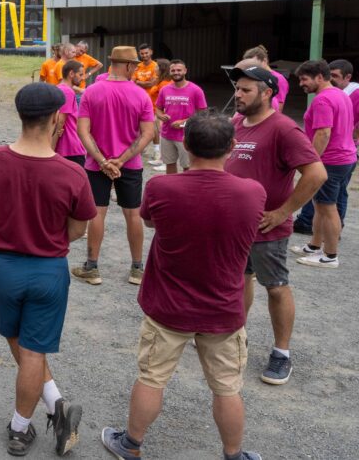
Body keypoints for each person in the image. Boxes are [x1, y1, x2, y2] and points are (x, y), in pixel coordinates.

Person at [101, 110, 266, 460]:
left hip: (167, 306)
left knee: (151, 378)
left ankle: (131, 444)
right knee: (227, 388)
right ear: (233, 147)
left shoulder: (162, 187)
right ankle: (234, 455)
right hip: (223, 309)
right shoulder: (252, 192)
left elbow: (147, 221)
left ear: (186, 145)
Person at [0, 83, 94, 457]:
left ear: (19, 115)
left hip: (3, 267)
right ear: (57, 118)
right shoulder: (72, 173)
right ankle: (21, 428)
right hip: (48, 270)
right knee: (33, 349)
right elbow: (77, 229)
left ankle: (54, 405)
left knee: (16, 338)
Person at [225, 64, 325, 386]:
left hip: (267, 228)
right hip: (236, 227)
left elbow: (316, 174)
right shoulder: (237, 122)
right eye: (237, 89)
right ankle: (237, 338)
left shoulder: (284, 129)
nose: (238, 95)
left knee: (276, 287)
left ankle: (282, 353)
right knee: (241, 280)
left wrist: (284, 212)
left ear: (267, 93)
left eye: (245, 90)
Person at [73, 46, 155, 286]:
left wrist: (102, 160)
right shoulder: (140, 95)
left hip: (96, 164)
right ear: (129, 66)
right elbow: (147, 133)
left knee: (97, 212)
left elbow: (83, 131)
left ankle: (92, 267)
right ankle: (137, 269)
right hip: (130, 164)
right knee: (133, 214)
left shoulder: (91, 92)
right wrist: (121, 160)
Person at [290, 59, 357, 269]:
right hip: (345, 158)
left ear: (320, 76)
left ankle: (330, 255)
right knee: (320, 205)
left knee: (328, 208)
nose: (301, 84)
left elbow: (323, 133)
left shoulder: (322, 100)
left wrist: (311, 162)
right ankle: (314, 246)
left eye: (304, 79)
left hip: (330, 161)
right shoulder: (339, 94)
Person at [154, 60, 207, 175]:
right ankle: (173, 189)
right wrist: (161, 115)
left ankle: (186, 190)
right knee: (170, 164)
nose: (176, 72)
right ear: (170, 72)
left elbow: (202, 114)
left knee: (187, 166)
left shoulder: (196, 90)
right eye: (173, 70)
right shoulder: (165, 89)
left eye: (179, 70)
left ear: (185, 71)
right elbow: (157, 108)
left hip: (187, 136)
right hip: (167, 135)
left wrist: (183, 122)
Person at [56, 61, 87, 166]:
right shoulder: (67, 92)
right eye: (80, 74)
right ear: (71, 74)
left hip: (65, 147)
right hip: (70, 147)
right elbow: (60, 120)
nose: (83, 78)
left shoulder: (59, 88)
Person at [242, 45, 289, 113]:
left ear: (264, 60)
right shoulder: (252, 74)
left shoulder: (279, 79)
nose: (251, 67)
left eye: (254, 64)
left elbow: (279, 107)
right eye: (249, 64)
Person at [145, 58, 171, 166]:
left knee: (163, 136)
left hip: (160, 112)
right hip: (155, 111)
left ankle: (165, 162)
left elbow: (166, 100)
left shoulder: (165, 83)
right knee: (159, 135)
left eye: (156, 66)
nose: (154, 68)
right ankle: (160, 159)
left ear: (161, 69)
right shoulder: (159, 81)